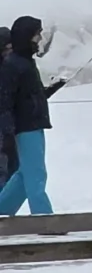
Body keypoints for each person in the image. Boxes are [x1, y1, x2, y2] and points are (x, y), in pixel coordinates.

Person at [0, 14, 64, 217]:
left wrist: (48, 91)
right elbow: (5, 101)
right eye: (37, 35)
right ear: (27, 36)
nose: (39, 39)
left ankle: (2, 210)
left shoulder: (25, 62)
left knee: (23, 174)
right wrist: (8, 129)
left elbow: (27, 97)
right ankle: (43, 217)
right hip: (24, 128)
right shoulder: (13, 65)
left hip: (33, 125)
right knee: (36, 173)